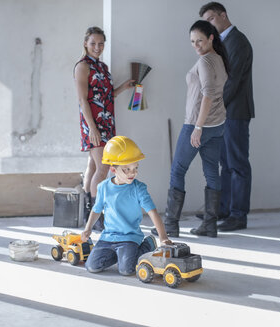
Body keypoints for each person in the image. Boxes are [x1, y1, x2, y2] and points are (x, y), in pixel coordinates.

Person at [152, 20, 229, 238]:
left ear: (211, 38)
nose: (196, 45)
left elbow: (208, 94)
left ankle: (171, 225)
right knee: (212, 171)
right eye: (192, 42)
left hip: (198, 125)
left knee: (178, 170)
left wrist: (197, 127)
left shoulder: (205, 61)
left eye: (200, 41)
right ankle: (210, 225)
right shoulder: (219, 59)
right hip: (218, 125)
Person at [81, 136, 172, 276]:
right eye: (127, 169)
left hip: (129, 237)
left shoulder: (139, 188)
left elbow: (153, 212)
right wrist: (87, 229)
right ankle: (122, 256)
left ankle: (148, 245)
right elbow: (96, 210)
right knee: (92, 266)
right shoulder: (103, 187)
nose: (133, 173)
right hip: (108, 238)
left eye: (136, 168)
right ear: (113, 170)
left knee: (126, 270)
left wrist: (163, 238)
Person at [199, 2, 255, 231]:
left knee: (238, 163)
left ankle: (238, 215)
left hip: (235, 112)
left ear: (223, 15)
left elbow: (232, 80)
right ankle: (223, 209)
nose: (209, 25)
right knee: (225, 163)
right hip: (223, 113)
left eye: (211, 19)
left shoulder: (238, 41)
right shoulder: (221, 43)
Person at [74, 27, 134, 231]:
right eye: (93, 43)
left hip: (107, 122)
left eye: (100, 44)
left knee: (93, 166)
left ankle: (86, 213)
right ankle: (97, 216)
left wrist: (123, 88)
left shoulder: (102, 67)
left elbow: (105, 97)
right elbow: (83, 100)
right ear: (85, 44)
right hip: (93, 123)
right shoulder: (83, 67)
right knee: (104, 168)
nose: (97, 47)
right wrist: (92, 128)